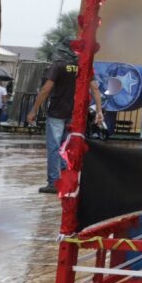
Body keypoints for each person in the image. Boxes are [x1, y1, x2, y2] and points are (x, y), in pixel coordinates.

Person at [25, 51, 104, 194]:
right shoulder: (84, 67)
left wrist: (34, 110)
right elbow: (95, 88)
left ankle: (53, 183)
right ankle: (68, 179)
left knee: (54, 147)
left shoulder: (58, 65)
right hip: (76, 114)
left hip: (57, 112)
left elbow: (46, 89)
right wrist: (99, 111)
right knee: (66, 147)